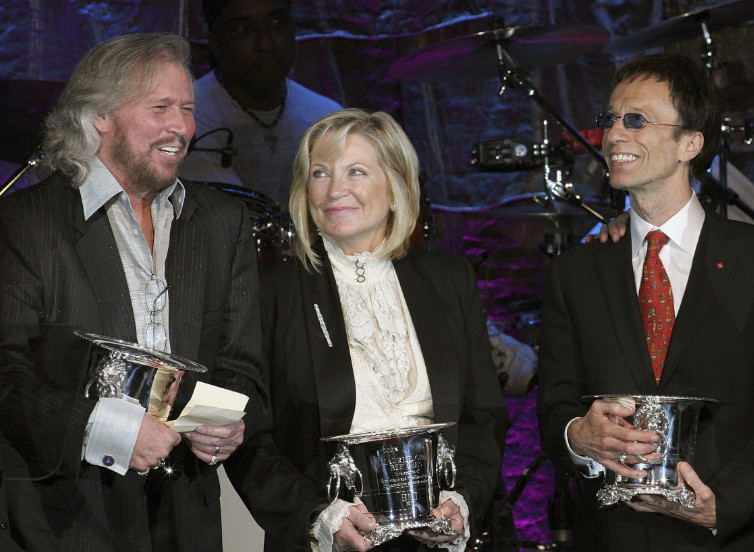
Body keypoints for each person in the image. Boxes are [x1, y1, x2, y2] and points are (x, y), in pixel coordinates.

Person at [0, 33, 266, 551]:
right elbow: (5, 373)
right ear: (100, 115)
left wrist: (217, 423)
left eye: (187, 109)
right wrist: (111, 430)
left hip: (187, 516)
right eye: (160, 107)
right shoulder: (26, 222)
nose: (182, 128)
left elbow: (241, 362)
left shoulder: (222, 223)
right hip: (68, 516)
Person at [536, 53, 754, 551]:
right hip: (614, 537)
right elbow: (554, 407)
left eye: (636, 120)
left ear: (690, 143)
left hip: (730, 536)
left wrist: (726, 505)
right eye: (609, 119)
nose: (614, 135)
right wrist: (579, 436)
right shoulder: (575, 273)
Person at [223, 108, 509, 551]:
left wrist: (463, 500)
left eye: (356, 171)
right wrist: (320, 516)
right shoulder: (271, 291)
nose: (335, 190)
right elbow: (248, 440)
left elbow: (484, 418)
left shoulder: (450, 279)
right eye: (320, 174)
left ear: (397, 189)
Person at [179, 0, 343, 207]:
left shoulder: (326, 117)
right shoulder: (188, 120)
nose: (265, 43)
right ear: (215, 42)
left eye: (277, 24)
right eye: (243, 30)